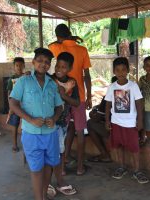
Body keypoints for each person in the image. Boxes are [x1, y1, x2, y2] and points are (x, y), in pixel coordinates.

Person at [9, 48, 63, 200]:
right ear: (33, 62)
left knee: (47, 167)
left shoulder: (52, 85)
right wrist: (30, 119)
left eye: (47, 62)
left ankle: (44, 196)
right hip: (31, 134)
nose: (43, 64)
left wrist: (55, 117)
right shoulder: (23, 81)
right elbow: (13, 103)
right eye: (40, 60)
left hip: (50, 134)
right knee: (36, 169)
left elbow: (59, 106)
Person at [49, 23, 92, 176]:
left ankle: (63, 166)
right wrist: (89, 96)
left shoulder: (58, 48)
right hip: (79, 97)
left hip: (62, 101)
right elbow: (87, 75)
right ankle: (80, 167)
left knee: (64, 131)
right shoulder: (82, 50)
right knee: (79, 132)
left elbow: (50, 45)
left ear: (58, 37)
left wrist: (63, 40)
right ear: (70, 33)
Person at [105, 57, 149, 184]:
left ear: (127, 71)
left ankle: (137, 170)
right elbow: (108, 104)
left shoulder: (133, 86)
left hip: (130, 124)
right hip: (116, 122)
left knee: (134, 148)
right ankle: (121, 167)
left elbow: (139, 104)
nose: (120, 72)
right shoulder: (112, 87)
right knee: (117, 146)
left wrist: (140, 120)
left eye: (123, 69)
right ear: (114, 71)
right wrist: (107, 120)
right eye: (117, 70)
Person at [49, 52, 79, 197]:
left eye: (64, 67)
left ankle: (58, 178)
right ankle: (49, 182)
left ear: (70, 68)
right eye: (57, 65)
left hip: (63, 122)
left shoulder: (72, 83)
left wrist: (64, 95)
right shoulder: (49, 79)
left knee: (60, 152)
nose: (59, 69)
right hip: (48, 122)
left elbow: (77, 103)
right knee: (50, 151)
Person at [87, 76, 118, 163]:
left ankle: (104, 154)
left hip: (114, 130)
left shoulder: (109, 96)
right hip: (124, 127)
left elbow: (97, 117)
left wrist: (92, 114)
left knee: (90, 123)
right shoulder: (127, 93)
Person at [6, 57, 25, 152]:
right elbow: (9, 94)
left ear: (24, 66)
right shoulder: (11, 80)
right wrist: (11, 106)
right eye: (17, 65)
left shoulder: (26, 77)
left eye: (21, 65)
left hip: (25, 106)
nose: (19, 67)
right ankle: (14, 145)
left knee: (26, 125)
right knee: (14, 124)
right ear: (14, 67)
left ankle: (26, 144)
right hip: (15, 106)